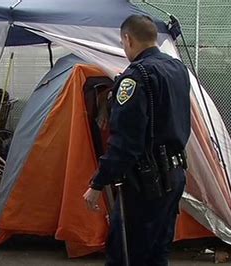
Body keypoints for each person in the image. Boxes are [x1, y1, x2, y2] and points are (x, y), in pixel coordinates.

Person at [83, 15, 191, 266]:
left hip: (146, 183)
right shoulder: (178, 69)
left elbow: (125, 143)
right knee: (158, 250)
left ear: (128, 39)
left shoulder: (136, 77)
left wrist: (98, 183)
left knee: (126, 254)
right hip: (175, 175)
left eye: (123, 43)